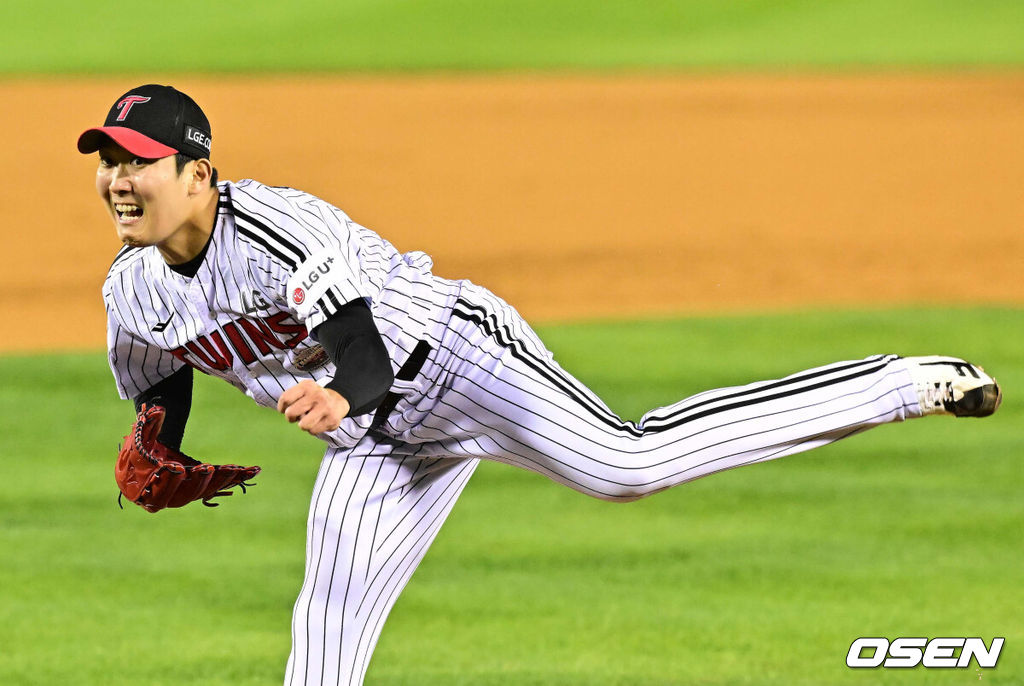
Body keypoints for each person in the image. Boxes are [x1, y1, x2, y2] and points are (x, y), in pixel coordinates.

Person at [79, 84, 1001, 686]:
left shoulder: (278, 226)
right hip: (374, 442)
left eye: (138, 161)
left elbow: (355, 336)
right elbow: (159, 369)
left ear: (198, 172)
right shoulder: (131, 286)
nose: (119, 179)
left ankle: (899, 382)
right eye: (108, 161)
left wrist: (345, 398)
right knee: (325, 632)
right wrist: (158, 437)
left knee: (626, 465)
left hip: (454, 358)